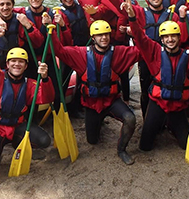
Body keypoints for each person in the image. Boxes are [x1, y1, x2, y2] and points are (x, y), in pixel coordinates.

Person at [126, 2, 189, 151]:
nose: (170, 39)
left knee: (186, 146)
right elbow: (139, 37)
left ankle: (172, 125)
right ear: (161, 39)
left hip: (177, 107)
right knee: (145, 146)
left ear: (179, 38)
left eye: (173, 36)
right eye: (166, 37)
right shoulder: (154, 52)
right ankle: (159, 125)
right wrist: (132, 17)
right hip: (158, 104)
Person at [51, 20, 141, 165]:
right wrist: (52, 32)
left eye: (106, 34)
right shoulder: (81, 54)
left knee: (130, 118)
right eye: (99, 35)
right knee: (92, 141)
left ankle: (121, 150)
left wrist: (135, 34)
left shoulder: (119, 53)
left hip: (112, 101)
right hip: (91, 104)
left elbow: (141, 51)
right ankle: (99, 122)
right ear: (93, 38)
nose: (103, 38)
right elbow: (59, 51)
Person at [0, 27, 53, 177]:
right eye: (13, 61)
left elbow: (47, 98)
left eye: (21, 62)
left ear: (26, 66)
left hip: (17, 126)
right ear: (7, 64)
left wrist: (45, 78)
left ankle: (16, 144)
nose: (16, 64)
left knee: (45, 141)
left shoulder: (31, 83)